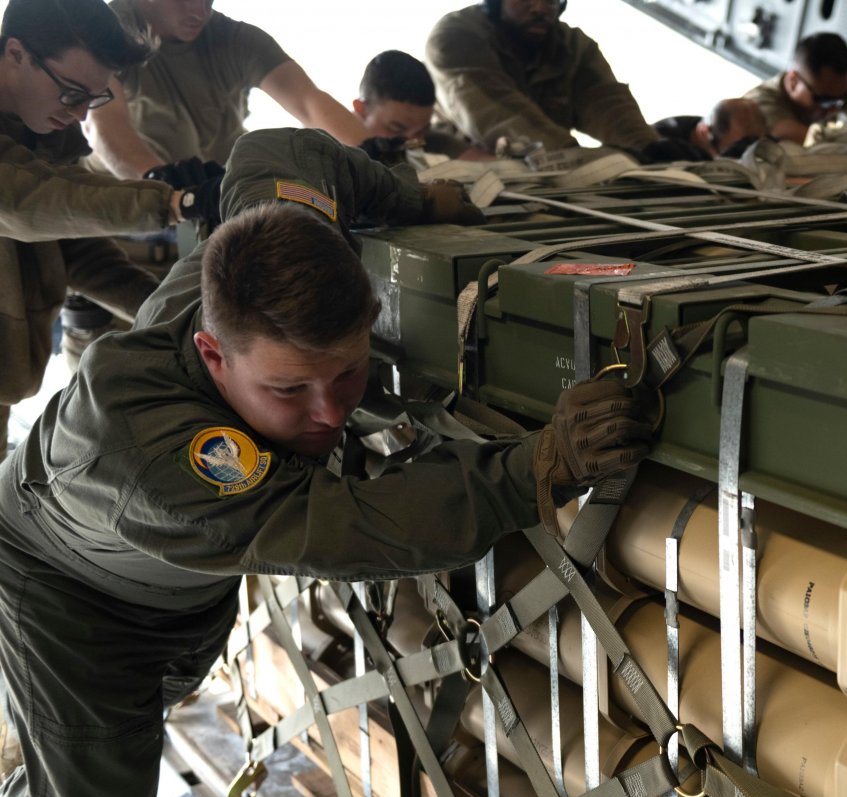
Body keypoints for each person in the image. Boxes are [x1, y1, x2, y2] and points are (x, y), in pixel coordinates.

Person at [0, 125, 647, 797]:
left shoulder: (277, 231)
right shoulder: (149, 460)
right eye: (288, 390)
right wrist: (540, 466)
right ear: (212, 354)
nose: (329, 411)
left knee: (143, 705)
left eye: (348, 371)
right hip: (65, 590)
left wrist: (413, 198)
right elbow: (358, 524)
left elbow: (277, 151)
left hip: (171, 581)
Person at [0, 0, 201, 466]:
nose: (79, 114)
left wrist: (179, 321)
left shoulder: (40, 130)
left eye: (93, 99)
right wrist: (173, 202)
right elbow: (25, 201)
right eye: (71, 94)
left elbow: (73, 249)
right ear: (15, 54)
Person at [85, 0, 371, 184]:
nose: (199, 12)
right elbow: (104, 127)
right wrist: (161, 183)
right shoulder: (108, 32)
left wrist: (373, 155)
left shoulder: (235, 38)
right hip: (129, 201)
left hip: (213, 197)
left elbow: (309, 102)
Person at [426, 0, 688, 161]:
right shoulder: (456, 38)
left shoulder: (573, 46)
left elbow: (607, 103)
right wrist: (573, 157)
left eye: (551, 0)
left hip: (543, 173)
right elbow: (497, 112)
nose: (540, 8)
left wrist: (651, 148)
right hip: (462, 174)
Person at [351, 49, 490, 164]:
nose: (414, 142)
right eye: (396, 128)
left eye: (422, 130)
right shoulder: (336, 157)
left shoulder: (428, 141)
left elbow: (490, 164)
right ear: (361, 109)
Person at [652, 97, 768, 159]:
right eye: (726, 152)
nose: (734, 158)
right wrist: (711, 156)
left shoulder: (713, 129)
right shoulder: (662, 141)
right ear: (704, 133)